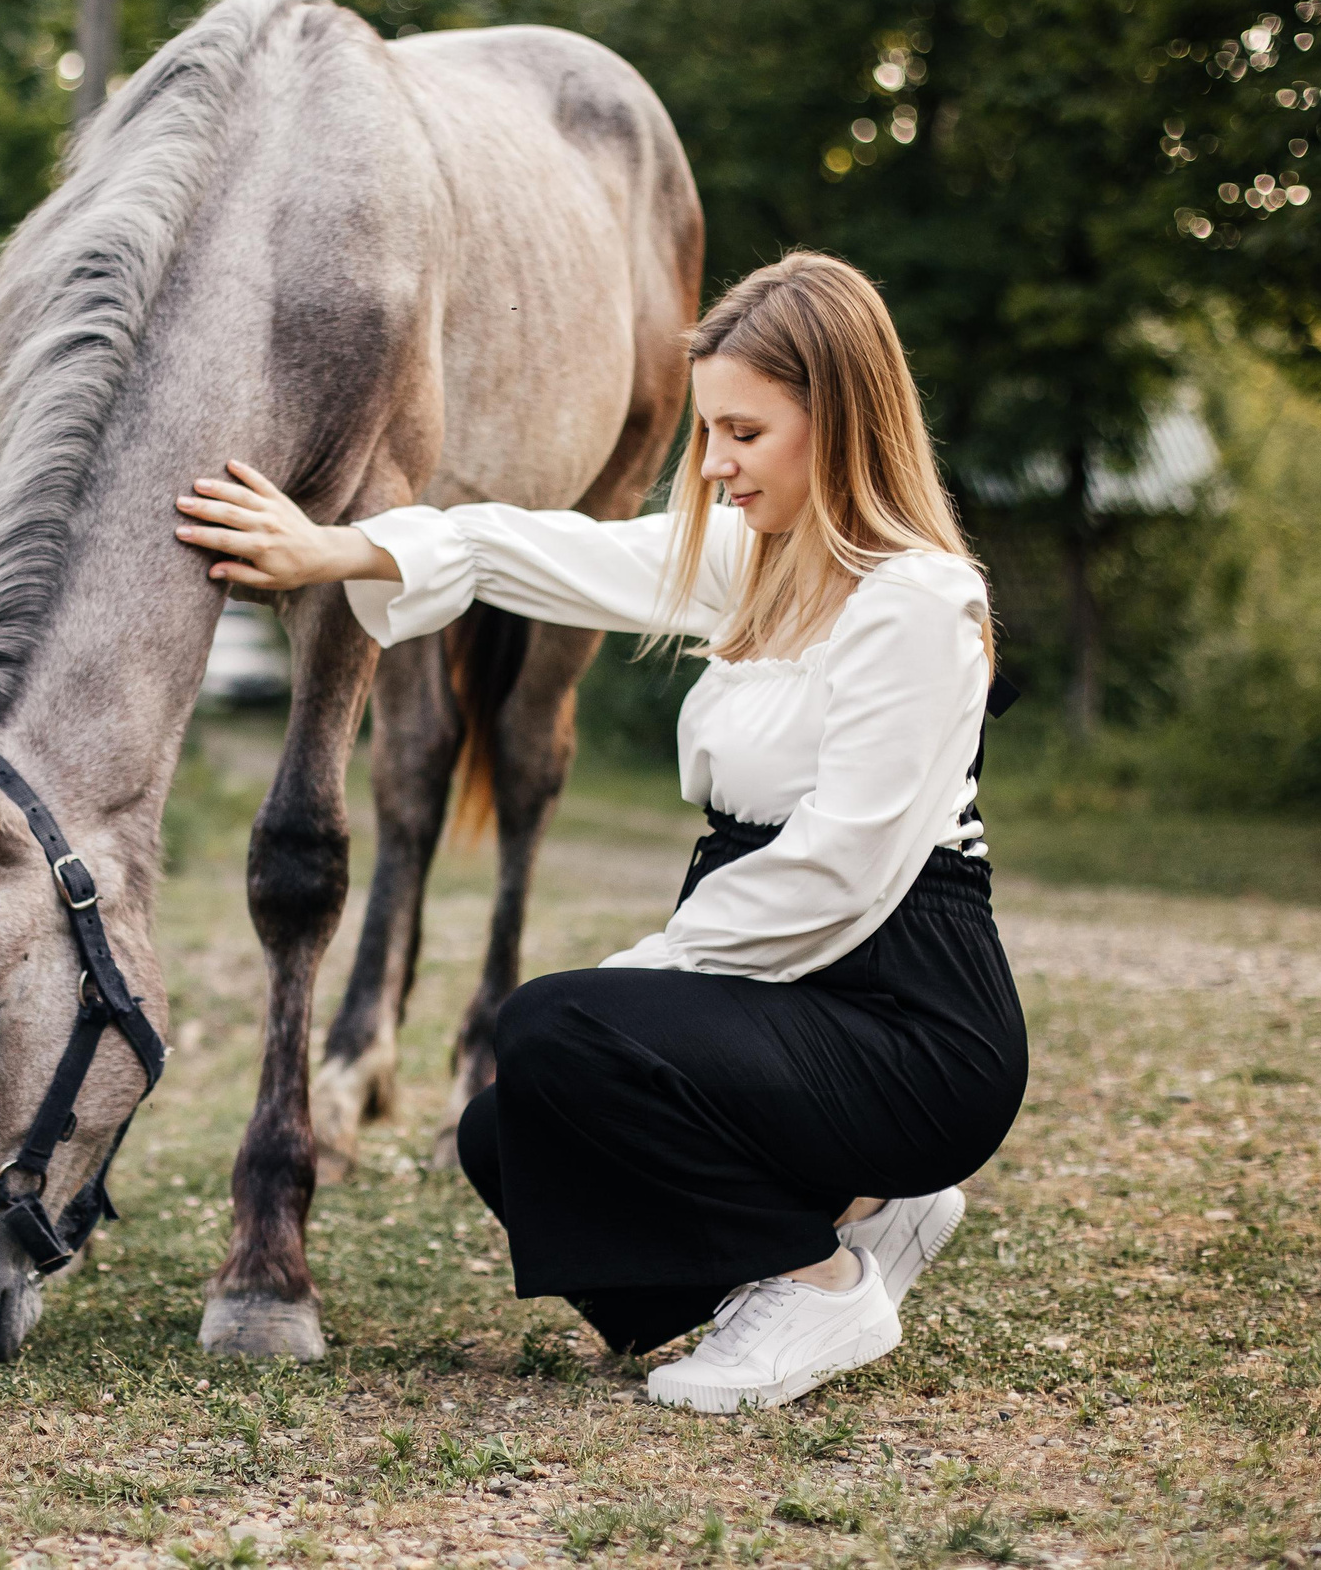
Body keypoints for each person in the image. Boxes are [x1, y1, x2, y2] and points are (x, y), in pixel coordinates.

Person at [170, 250, 1027, 1414]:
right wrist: (343, 549)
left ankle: (817, 1284)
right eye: (707, 431)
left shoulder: (916, 603)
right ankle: (862, 1210)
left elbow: (839, 873)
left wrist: (636, 982)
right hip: (792, 995)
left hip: (909, 1019)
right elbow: (546, 548)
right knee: (507, 1131)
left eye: (744, 433)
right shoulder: (764, 564)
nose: (713, 465)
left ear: (840, 423)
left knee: (554, 1035)